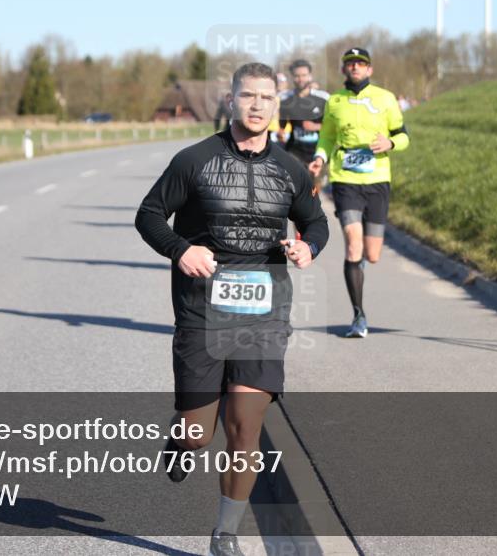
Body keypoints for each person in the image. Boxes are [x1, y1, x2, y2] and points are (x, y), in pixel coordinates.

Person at [136, 62, 329, 556]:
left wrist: (308, 248)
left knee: (245, 427)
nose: (258, 105)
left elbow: (316, 223)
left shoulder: (288, 169)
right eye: (249, 96)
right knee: (199, 434)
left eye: (267, 97)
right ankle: (182, 440)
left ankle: (225, 535)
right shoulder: (193, 160)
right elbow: (149, 215)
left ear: (276, 104)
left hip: (264, 313)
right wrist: (182, 250)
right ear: (231, 100)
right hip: (201, 310)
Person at [308, 47, 409, 338]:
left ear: (369, 70)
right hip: (345, 179)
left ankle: (362, 263)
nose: (355, 67)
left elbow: (403, 135)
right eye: (350, 64)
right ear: (344, 70)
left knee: (372, 254)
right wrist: (321, 157)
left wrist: (390, 144)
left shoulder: (385, 98)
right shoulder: (335, 101)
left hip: (378, 179)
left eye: (360, 64)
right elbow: (326, 136)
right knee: (353, 245)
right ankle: (359, 315)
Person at [278, 59, 329, 166]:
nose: (300, 79)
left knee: (317, 183)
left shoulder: (323, 98)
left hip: (318, 152)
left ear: (310, 76)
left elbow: (333, 126)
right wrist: (281, 133)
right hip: (294, 152)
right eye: (297, 76)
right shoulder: (285, 100)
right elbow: (282, 126)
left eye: (304, 75)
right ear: (292, 77)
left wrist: (316, 126)